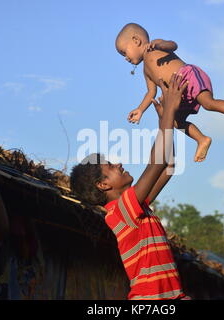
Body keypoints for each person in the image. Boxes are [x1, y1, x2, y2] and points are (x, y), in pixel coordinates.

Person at [70, 74, 190, 300]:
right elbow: (157, 163)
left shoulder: (136, 208)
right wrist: (170, 111)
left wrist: (164, 121)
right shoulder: (120, 212)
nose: (119, 164)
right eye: (110, 166)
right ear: (103, 184)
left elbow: (168, 167)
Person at [116, 23, 224, 162]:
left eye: (124, 52)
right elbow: (151, 92)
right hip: (178, 92)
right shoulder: (146, 71)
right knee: (176, 121)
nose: (125, 58)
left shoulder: (155, 45)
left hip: (188, 76)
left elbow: (173, 45)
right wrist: (140, 110)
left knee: (208, 103)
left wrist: (162, 46)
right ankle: (202, 139)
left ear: (136, 41)